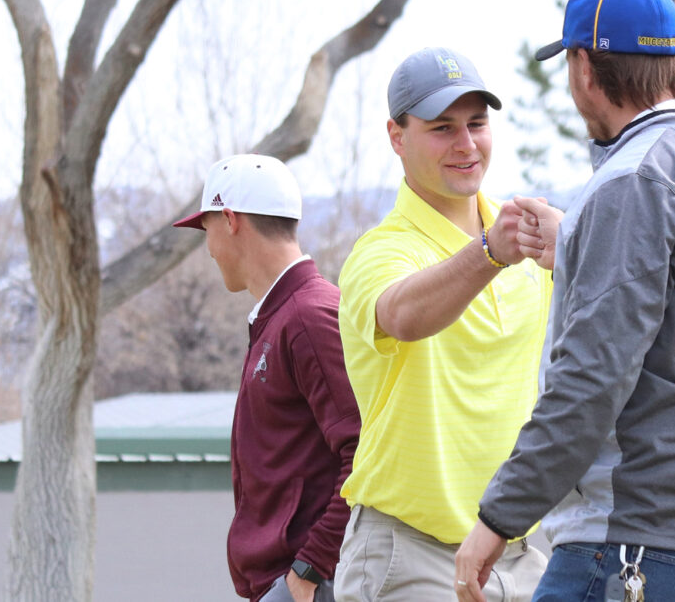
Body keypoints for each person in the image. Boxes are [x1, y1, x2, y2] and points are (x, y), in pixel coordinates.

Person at [455, 0, 675, 602]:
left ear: (583, 67)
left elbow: (591, 378)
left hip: (642, 546)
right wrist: (578, 243)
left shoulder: (632, 181)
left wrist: (497, 519)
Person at [332, 47, 554, 602]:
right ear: (396, 135)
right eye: (441, 127)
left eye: (477, 123)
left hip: (520, 554)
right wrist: (489, 253)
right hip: (409, 558)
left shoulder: (521, 233)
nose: (466, 144)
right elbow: (404, 315)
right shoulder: (381, 251)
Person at [173, 154, 361, 602]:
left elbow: (367, 449)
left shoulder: (308, 316)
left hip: (309, 582)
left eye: (208, 229)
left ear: (231, 220)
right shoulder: (283, 316)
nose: (209, 246)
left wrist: (309, 569)